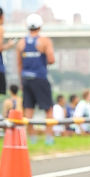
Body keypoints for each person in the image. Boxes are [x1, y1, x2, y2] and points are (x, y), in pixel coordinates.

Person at [17, 14, 55, 145]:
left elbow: (19, 64)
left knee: (28, 109)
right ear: (40, 26)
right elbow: (51, 59)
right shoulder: (45, 41)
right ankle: (49, 138)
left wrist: (21, 81)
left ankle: (31, 139)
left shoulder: (21, 43)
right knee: (48, 109)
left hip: (26, 78)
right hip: (40, 78)